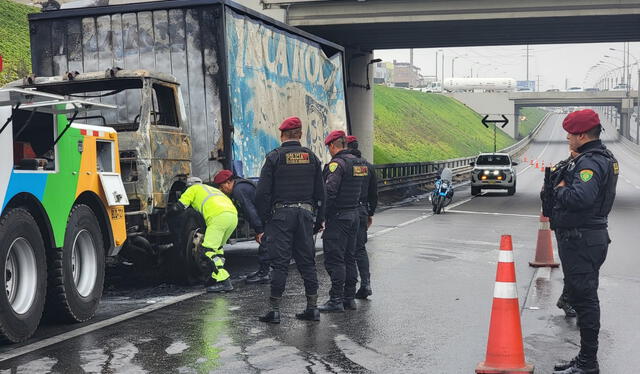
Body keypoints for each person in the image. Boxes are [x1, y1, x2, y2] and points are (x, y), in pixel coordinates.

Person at [550, 109, 618, 374]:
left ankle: (589, 362)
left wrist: (559, 189)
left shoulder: (589, 163)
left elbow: (581, 198)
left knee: (586, 300)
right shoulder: (602, 157)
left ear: (581, 135)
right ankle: (584, 358)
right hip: (589, 237)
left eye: (570, 133)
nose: (567, 137)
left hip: (582, 238)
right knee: (582, 295)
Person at [255, 116, 326, 324]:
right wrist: (318, 219)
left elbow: (261, 194)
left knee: (280, 263)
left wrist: (266, 219)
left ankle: (275, 310)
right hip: (305, 216)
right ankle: (312, 308)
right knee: (307, 262)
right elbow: (321, 194)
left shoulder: (274, 157)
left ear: (282, 135)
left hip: (281, 217)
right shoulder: (312, 157)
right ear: (300, 134)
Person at [319, 130, 369, 312]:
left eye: (329, 147)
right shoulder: (360, 163)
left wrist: (321, 216)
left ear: (333, 146)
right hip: (354, 214)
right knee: (349, 257)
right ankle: (349, 298)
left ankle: (335, 300)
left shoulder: (337, 164)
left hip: (339, 217)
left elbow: (329, 192)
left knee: (335, 259)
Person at [173, 177, 239, 293]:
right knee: (217, 249)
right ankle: (215, 277)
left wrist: (170, 213)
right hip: (233, 217)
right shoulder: (212, 189)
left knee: (207, 250)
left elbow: (180, 206)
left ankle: (224, 280)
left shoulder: (192, 189)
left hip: (218, 218)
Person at [214, 170, 269, 284]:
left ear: (229, 182)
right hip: (266, 214)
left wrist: (259, 230)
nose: (220, 190)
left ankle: (264, 274)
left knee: (265, 244)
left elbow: (250, 211)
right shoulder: (240, 186)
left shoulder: (239, 190)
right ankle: (264, 271)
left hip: (267, 216)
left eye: (221, 186)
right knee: (267, 244)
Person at [346, 135, 378, 299]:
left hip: (345, 211)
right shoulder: (368, 166)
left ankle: (346, 291)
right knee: (359, 249)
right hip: (362, 210)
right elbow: (374, 193)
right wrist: (370, 213)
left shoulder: (343, 164)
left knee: (344, 250)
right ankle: (366, 283)